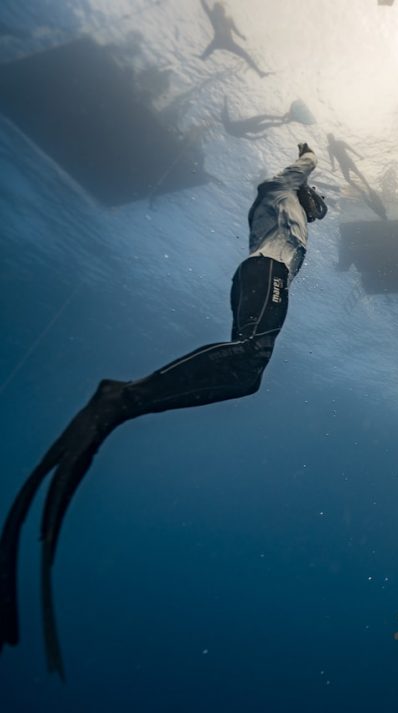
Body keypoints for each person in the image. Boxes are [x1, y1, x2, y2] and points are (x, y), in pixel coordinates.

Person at [0, 144, 327, 677]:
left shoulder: (282, 217)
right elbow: (279, 180)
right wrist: (309, 156)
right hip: (266, 272)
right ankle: (122, 398)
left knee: (244, 376)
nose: (316, 210)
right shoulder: (280, 193)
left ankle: (126, 404)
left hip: (263, 275)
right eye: (315, 204)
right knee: (248, 358)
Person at [199, 0, 269, 78]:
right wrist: (241, 36)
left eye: (220, 11)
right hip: (219, 41)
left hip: (226, 42)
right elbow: (205, 7)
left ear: (223, 11)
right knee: (203, 56)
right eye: (217, 11)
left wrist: (241, 36)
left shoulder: (226, 19)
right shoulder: (214, 16)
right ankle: (260, 72)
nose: (219, 14)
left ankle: (260, 73)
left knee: (245, 55)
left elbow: (235, 29)